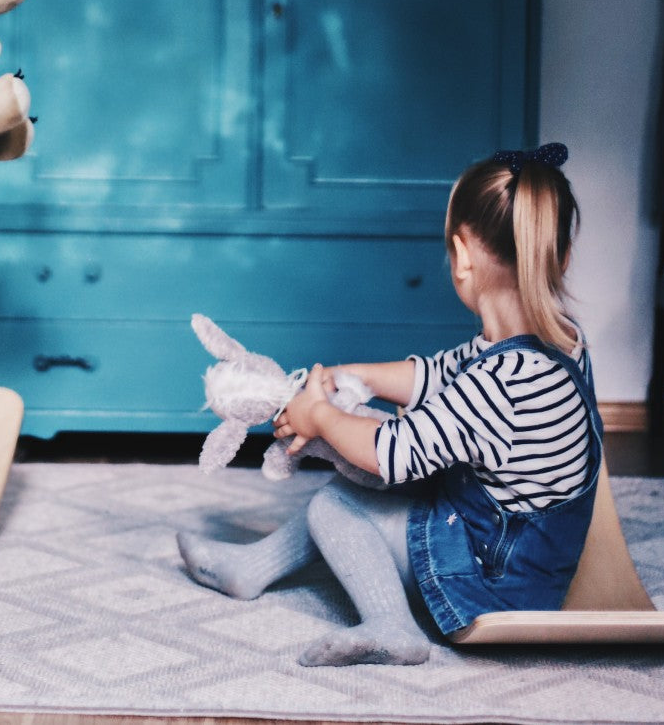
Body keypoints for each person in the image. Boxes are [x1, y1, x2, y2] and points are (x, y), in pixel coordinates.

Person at [177, 143, 600, 667]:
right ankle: (254, 568)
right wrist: (357, 376)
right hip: (528, 567)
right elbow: (438, 373)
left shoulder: (501, 384)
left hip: (492, 589)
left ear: (462, 255)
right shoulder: (555, 346)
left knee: (339, 502)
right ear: (559, 253)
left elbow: (390, 454)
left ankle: (392, 625)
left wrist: (322, 418)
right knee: (363, 483)